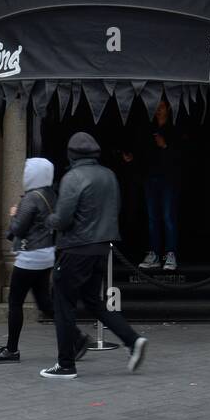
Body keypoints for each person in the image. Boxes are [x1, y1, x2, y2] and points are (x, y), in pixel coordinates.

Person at [41, 132, 148, 380]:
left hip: (76, 248)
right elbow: (116, 208)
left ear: (72, 154)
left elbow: (63, 218)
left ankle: (65, 364)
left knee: (62, 303)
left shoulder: (73, 177)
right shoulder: (109, 175)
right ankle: (132, 340)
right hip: (102, 247)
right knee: (93, 300)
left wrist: (48, 219)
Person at [0, 157, 89, 363]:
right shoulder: (51, 194)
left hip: (29, 257)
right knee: (45, 303)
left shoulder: (30, 198)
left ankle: (12, 349)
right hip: (46, 255)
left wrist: (13, 215)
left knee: (15, 302)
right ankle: (77, 339)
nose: (25, 175)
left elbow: (17, 229)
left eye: (27, 171)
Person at [125, 96, 184, 271]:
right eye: (156, 107)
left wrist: (165, 146)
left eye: (162, 107)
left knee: (168, 217)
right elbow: (144, 155)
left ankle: (171, 254)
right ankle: (154, 254)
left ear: (168, 109)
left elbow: (181, 158)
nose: (159, 110)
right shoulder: (148, 130)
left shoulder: (173, 130)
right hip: (151, 178)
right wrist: (132, 160)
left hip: (168, 180)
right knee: (152, 218)